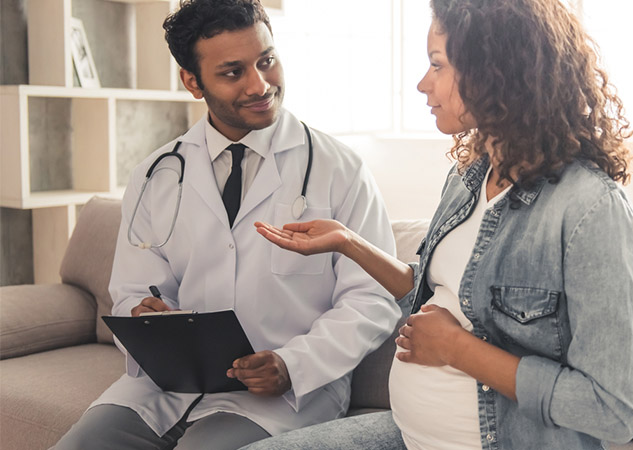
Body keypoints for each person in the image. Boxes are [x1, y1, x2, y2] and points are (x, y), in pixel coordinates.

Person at [245, 0, 633, 449]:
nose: (422, 83)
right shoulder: (469, 176)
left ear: (495, 72)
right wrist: (349, 244)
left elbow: (612, 409)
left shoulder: (590, 210)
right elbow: (445, 295)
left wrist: (457, 350)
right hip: (409, 433)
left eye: (437, 65)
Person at [52, 0, 401, 449]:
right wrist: (145, 315)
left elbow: (372, 298)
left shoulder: (340, 170)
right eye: (233, 72)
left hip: (288, 392)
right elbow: (133, 291)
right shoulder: (156, 175)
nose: (260, 84)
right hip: (164, 389)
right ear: (192, 82)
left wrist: (293, 364)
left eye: (267, 61)